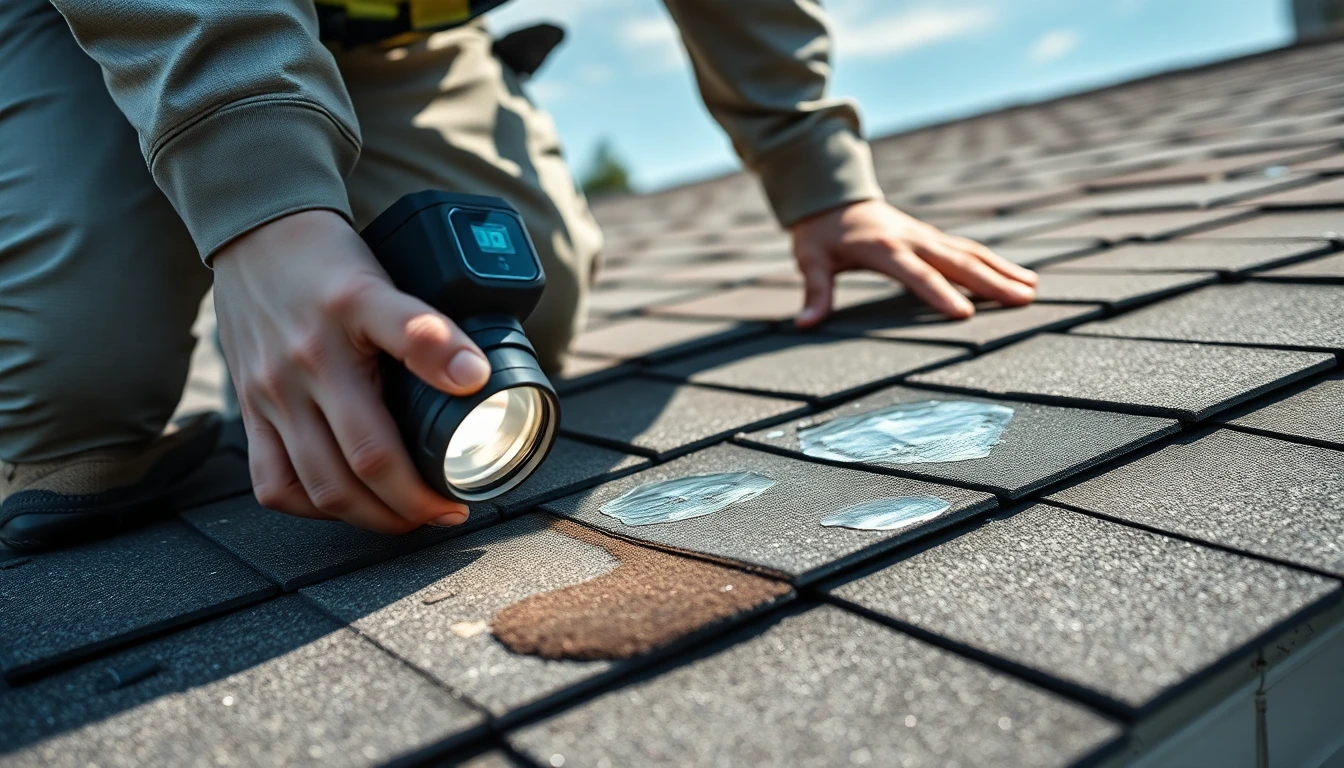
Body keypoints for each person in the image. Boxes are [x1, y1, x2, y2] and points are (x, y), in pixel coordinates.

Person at [0, 0, 1038, 551]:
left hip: (394, 31)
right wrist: (258, 205)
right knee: (72, 395)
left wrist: (818, 177)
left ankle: (364, 175)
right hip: (98, 22)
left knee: (523, 308)